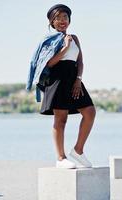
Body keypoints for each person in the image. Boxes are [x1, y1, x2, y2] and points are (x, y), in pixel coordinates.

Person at [40, 4, 96, 169]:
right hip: (57, 80)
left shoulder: (75, 38)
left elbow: (80, 61)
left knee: (90, 112)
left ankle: (78, 151)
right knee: (61, 119)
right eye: (57, 18)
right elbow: (49, 63)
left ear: (69, 20)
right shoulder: (49, 41)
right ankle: (60, 158)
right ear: (52, 22)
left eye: (65, 17)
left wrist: (78, 79)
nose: (62, 21)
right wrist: (64, 48)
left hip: (74, 79)